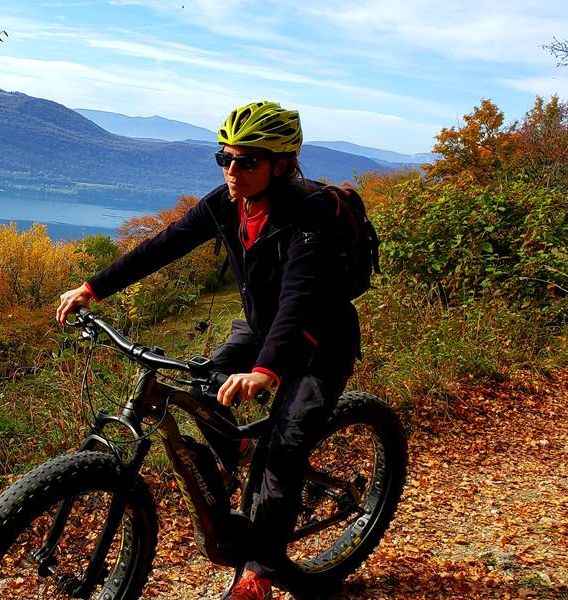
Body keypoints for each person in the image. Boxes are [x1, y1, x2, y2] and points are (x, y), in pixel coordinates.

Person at [56, 100, 360, 600]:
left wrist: (266, 370)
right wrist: (94, 287)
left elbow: (299, 299)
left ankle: (260, 572)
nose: (232, 170)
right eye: (225, 158)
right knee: (203, 385)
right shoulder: (226, 203)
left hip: (318, 340)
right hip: (262, 329)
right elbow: (164, 244)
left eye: (247, 161)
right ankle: (236, 445)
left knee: (283, 450)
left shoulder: (311, 216)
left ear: (282, 164)